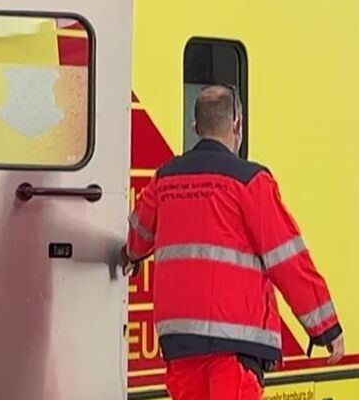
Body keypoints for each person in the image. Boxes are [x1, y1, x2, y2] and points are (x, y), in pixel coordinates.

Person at [121, 85, 345, 399]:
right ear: (237, 123)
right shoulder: (250, 182)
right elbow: (288, 260)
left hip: (181, 345)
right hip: (235, 346)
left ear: (195, 127)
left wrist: (129, 255)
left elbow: (137, 237)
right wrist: (325, 327)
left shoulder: (165, 179)